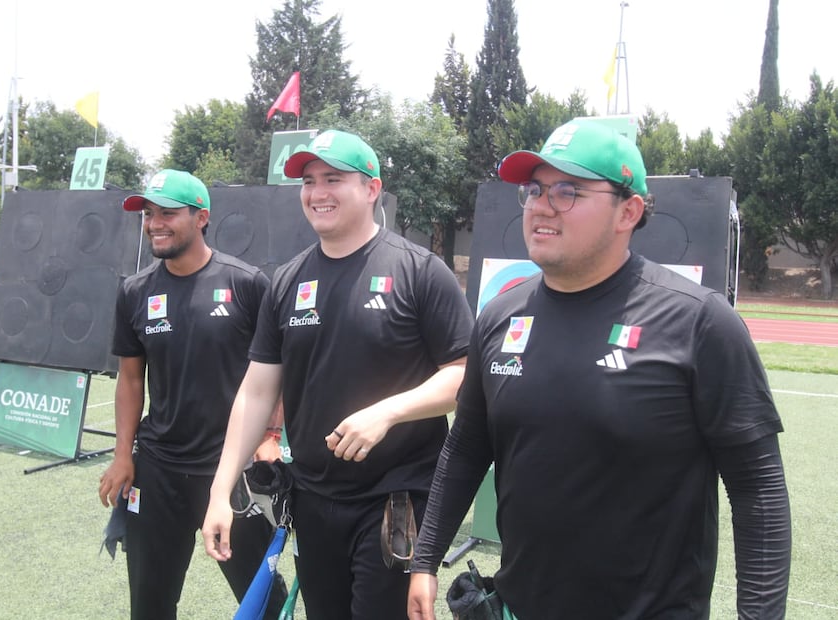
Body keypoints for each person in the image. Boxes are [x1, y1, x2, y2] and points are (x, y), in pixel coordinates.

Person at [408, 120, 792, 619]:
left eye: (568, 191)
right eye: (535, 189)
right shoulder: (500, 317)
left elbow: (758, 488)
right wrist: (425, 559)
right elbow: (466, 447)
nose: (541, 206)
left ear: (628, 211)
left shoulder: (699, 322)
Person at [201, 129, 475, 619]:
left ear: (372, 188)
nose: (317, 192)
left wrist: (388, 413)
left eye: (333, 178)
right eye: (308, 180)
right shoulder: (286, 280)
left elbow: (464, 375)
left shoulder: (419, 271)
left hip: (395, 501)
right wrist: (221, 490)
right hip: (312, 499)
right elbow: (258, 390)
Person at [97, 169, 287, 620]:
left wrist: (270, 434)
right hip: (158, 470)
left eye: (167, 213)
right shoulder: (135, 291)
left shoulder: (246, 284)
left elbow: (277, 371)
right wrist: (124, 453)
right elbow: (130, 379)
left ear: (201, 217)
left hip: (232, 468)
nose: (154, 224)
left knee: (264, 600)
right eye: (148, 215)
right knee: (149, 602)